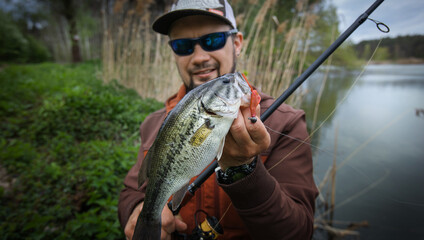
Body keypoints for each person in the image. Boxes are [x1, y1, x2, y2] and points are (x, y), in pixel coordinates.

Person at [118, 0, 318, 239]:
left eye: (212, 40)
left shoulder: (287, 122)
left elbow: (299, 233)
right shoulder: (154, 123)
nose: (199, 57)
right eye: (183, 46)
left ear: (237, 43)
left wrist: (244, 170)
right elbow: (131, 191)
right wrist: (136, 210)